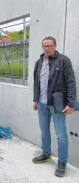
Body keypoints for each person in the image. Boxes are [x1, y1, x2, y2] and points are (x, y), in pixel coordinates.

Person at [32, 36, 77, 177]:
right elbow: (36, 83)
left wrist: (71, 103)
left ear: (55, 46)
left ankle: (62, 162)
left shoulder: (64, 60)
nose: (46, 48)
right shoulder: (39, 62)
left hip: (57, 104)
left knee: (61, 135)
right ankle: (46, 154)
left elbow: (71, 82)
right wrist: (35, 99)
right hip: (41, 103)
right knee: (44, 131)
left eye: (49, 45)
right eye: (44, 46)